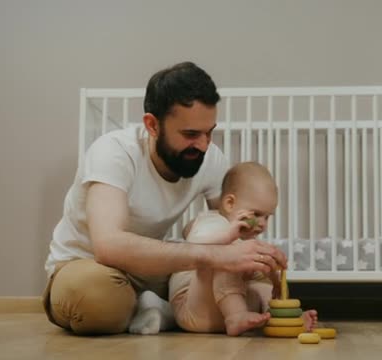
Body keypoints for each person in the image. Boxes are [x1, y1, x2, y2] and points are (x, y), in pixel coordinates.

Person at [42, 62, 287, 335]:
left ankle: (154, 309)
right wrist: (214, 254)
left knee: (238, 265)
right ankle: (156, 309)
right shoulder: (113, 152)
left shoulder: (210, 158)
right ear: (152, 125)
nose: (204, 145)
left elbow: (229, 225)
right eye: (191, 134)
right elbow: (108, 246)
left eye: (209, 132)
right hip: (91, 268)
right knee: (97, 300)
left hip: (155, 274)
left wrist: (260, 263)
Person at [168, 162, 318, 336]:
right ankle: (237, 315)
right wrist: (228, 237)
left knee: (260, 281)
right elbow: (195, 245)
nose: (262, 224)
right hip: (192, 310)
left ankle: (280, 319)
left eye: (267, 217)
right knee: (226, 258)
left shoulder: (244, 241)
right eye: (256, 214)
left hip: (219, 313)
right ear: (230, 203)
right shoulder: (211, 222)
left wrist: (274, 281)